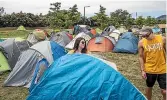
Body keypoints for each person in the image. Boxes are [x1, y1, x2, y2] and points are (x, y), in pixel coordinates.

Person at [138, 28, 166, 100]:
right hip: (149, 69)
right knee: (149, 87)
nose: (145, 38)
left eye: (147, 36)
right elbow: (140, 57)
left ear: (152, 33)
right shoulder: (141, 42)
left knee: (164, 91)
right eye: (144, 36)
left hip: (162, 69)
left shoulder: (162, 39)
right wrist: (142, 70)